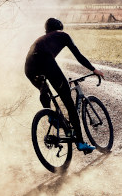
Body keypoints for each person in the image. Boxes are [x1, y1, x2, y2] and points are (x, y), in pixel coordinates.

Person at [25, 18, 104, 153]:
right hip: (45, 62)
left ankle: (50, 114)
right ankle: (80, 142)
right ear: (60, 27)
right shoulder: (63, 35)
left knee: (44, 88)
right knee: (68, 102)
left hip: (29, 67)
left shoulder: (40, 39)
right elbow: (78, 56)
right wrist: (93, 69)